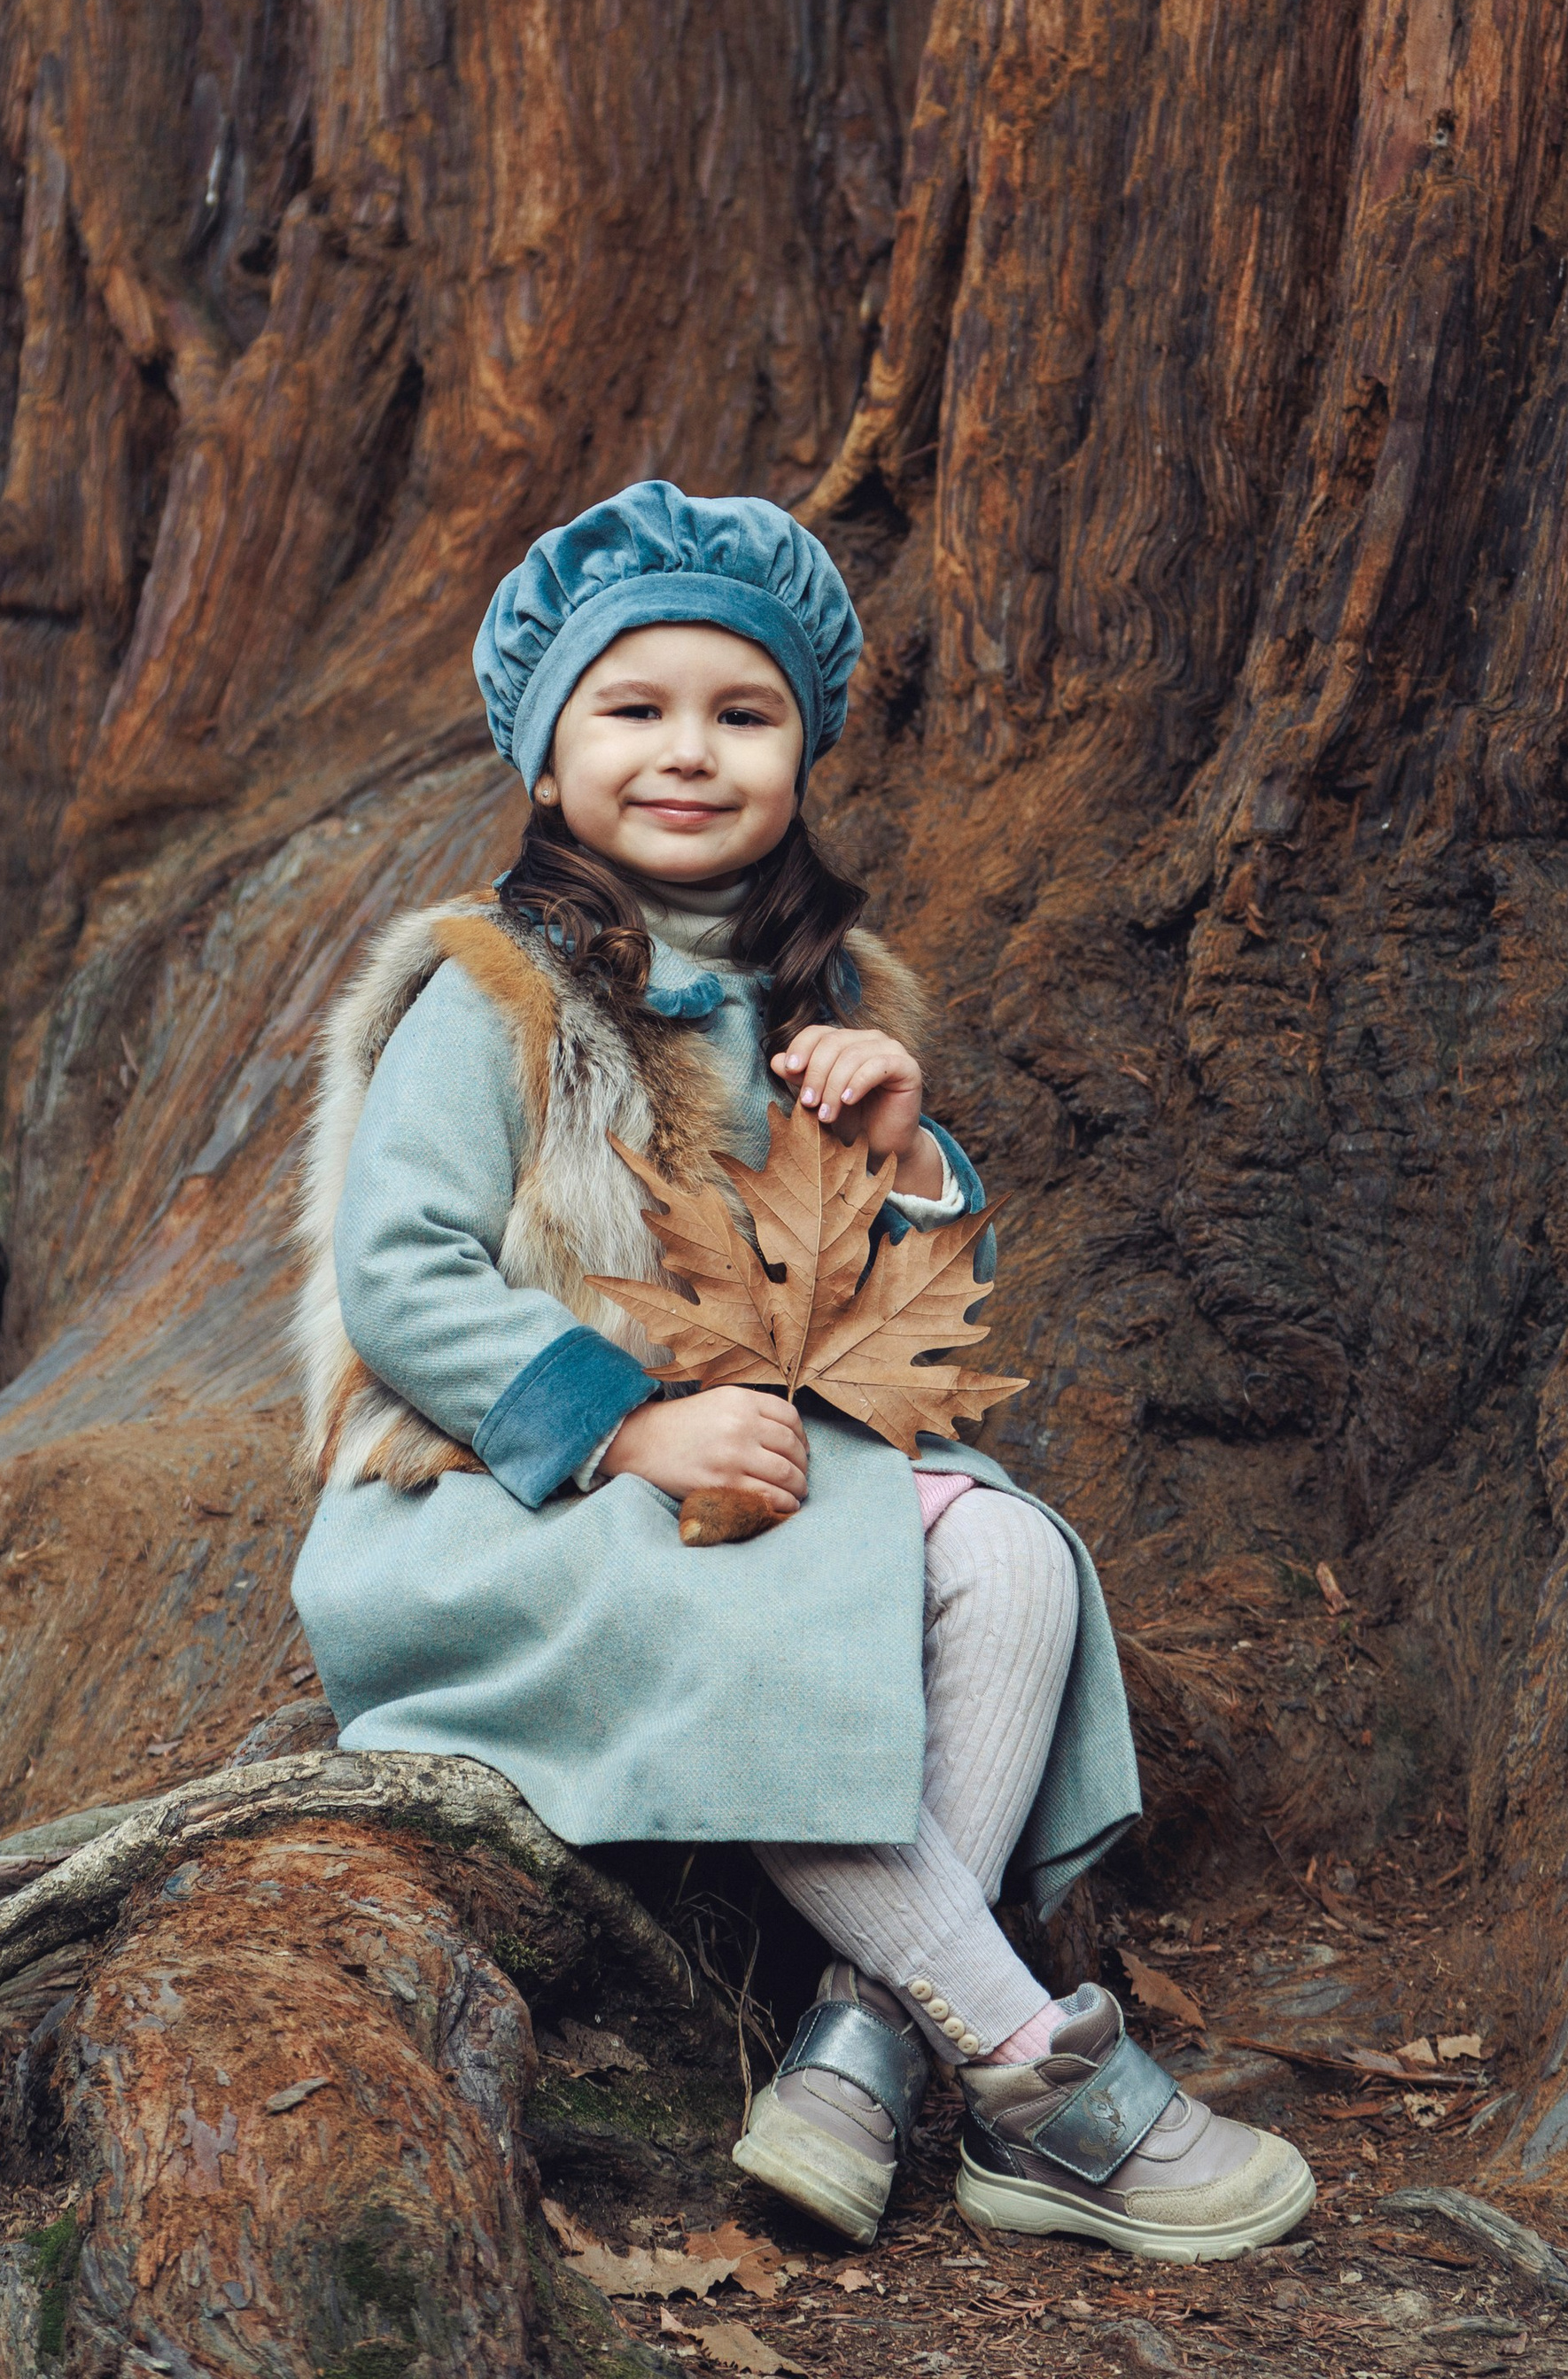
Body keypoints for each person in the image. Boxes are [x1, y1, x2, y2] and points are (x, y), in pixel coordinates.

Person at [291, 483, 1313, 2259]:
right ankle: (1037, 2079)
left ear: (799, 753)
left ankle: (861, 2053)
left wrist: (903, 1154)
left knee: (1013, 1554)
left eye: (740, 714)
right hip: (513, 1507)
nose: (688, 751)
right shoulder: (491, 994)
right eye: (634, 708)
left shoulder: (829, 998)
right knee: (779, 1620)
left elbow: (889, 1331)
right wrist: (631, 1427)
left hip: (771, 1478)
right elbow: (398, 1277)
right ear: (549, 766)